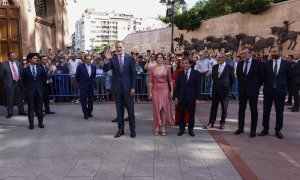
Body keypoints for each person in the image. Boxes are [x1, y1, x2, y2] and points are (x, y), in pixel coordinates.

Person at [103, 41, 137, 138]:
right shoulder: (112, 59)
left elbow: (133, 75)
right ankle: (120, 130)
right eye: (117, 47)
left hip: (128, 89)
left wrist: (133, 87)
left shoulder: (130, 58)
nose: (118, 49)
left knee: (130, 111)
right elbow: (105, 69)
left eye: (120, 47)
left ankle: (132, 130)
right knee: (119, 111)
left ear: (123, 47)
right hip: (117, 90)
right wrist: (107, 60)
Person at [258, 47, 291, 139]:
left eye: (274, 52)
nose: (273, 53)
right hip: (268, 91)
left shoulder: (287, 64)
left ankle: (278, 130)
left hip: (280, 91)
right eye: (272, 52)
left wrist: (285, 88)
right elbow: (263, 77)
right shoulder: (267, 64)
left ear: (280, 52)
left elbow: (289, 77)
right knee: (266, 111)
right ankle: (265, 129)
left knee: (279, 111)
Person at [234, 48, 263, 138]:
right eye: (242, 54)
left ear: (250, 53)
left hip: (253, 91)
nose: (242, 55)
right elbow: (239, 75)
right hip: (242, 91)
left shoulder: (258, 63)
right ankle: (240, 128)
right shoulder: (240, 63)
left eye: (244, 53)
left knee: (253, 110)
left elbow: (261, 77)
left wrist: (256, 86)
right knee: (241, 110)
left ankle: (253, 130)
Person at [205, 52, 234, 130]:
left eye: (221, 57)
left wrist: (227, 87)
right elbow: (214, 78)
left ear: (224, 58)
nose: (219, 59)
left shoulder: (230, 67)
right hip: (215, 91)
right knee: (213, 107)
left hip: (225, 91)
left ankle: (222, 123)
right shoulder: (214, 67)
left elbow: (232, 79)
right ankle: (211, 122)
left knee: (224, 108)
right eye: (217, 57)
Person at [174, 57, 201, 137]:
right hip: (181, 98)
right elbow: (177, 86)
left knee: (191, 115)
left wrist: (198, 98)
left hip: (191, 98)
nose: (184, 64)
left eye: (186, 63)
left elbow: (198, 87)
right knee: (181, 115)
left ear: (190, 64)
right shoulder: (180, 73)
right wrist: (176, 97)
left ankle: (190, 130)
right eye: (183, 63)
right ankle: (181, 130)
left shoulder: (196, 73)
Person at [149, 53, 174, 136]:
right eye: (158, 57)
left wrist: (172, 91)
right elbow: (150, 81)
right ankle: (156, 126)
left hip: (165, 89)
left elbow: (170, 80)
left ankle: (163, 126)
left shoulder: (167, 68)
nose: (159, 59)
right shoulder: (152, 68)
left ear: (163, 58)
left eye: (161, 57)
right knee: (156, 108)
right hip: (156, 89)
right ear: (156, 59)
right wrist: (150, 92)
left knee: (163, 108)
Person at [22, 53, 48, 129]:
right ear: (29, 59)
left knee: (40, 108)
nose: (36, 59)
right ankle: (31, 123)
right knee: (30, 108)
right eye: (34, 58)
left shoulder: (41, 68)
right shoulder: (25, 70)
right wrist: (27, 88)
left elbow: (44, 78)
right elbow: (23, 81)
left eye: (36, 58)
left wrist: (42, 87)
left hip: (39, 91)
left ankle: (40, 123)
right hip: (30, 91)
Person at [0, 52, 26, 118]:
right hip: (9, 84)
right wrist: (6, 81)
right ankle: (10, 113)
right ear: (8, 57)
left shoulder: (19, 63)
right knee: (10, 99)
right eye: (12, 56)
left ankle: (21, 111)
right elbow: (1, 76)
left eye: (14, 56)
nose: (14, 57)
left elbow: (21, 72)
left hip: (18, 83)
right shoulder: (3, 64)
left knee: (19, 98)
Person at [75, 55, 96, 119]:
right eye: (87, 59)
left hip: (91, 86)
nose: (88, 60)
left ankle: (89, 112)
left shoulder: (94, 67)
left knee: (91, 100)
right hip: (83, 86)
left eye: (90, 59)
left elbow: (93, 76)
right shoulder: (80, 66)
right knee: (83, 100)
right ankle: (85, 113)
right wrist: (81, 83)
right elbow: (77, 77)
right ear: (84, 60)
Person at [173, 59, 189, 125]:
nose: (182, 64)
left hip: (186, 92)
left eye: (184, 63)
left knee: (186, 108)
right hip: (178, 91)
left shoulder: (188, 71)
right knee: (177, 107)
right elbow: (174, 80)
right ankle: (177, 120)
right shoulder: (177, 71)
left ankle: (185, 121)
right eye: (181, 63)